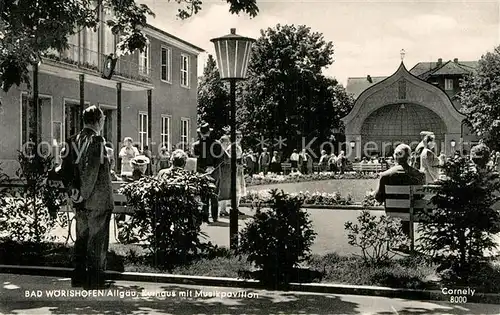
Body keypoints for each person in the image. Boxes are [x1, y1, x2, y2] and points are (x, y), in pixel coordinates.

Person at [60, 105, 113, 289]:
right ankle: (95, 281)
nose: (103, 122)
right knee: (97, 241)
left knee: (82, 239)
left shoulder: (72, 140)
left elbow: (65, 170)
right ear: (98, 120)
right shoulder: (97, 141)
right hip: (96, 200)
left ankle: (79, 278)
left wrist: (73, 192)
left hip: (80, 201)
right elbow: (91, 172)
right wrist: (83, 194)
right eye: (103, 119)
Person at [374, 143, 425, 240]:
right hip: (412, 212)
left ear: (395, 157)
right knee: (408, 208)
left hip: (392, 212)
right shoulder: (420, 175)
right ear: (409, 157)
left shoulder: (385, 175)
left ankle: (396, 238)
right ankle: (406, 239)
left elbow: (378, 198)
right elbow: (421, 195)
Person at [192, 122, 223, 223]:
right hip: (214, 171)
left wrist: (203, 168)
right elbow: (221, 158)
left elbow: (195, 158)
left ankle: (205, 217)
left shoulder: (196, 145)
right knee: (214, 195)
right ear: (209, 132)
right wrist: (213, 167)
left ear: (200, 133)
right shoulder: (217, 144)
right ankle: (214, 216)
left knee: (203, 194)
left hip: (202, 171)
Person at [218, 135, 232, 217]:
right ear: (222, 142)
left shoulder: (225, 150)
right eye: (226, 142)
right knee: (223, 192)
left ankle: (223, 209)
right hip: (223, 173)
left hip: (226, 173)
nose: (228, 144)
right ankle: (222, 210)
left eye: (228, 142)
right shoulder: (221, 151)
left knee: (225, 192)